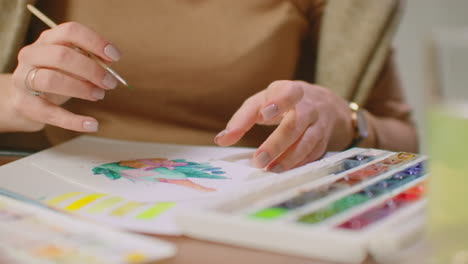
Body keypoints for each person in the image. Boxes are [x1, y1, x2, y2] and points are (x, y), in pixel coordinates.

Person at [0, 0, 417, 173]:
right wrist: (13, 98)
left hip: (244, 219)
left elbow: (407, 142)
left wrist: (342, 120)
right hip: (52, 207)